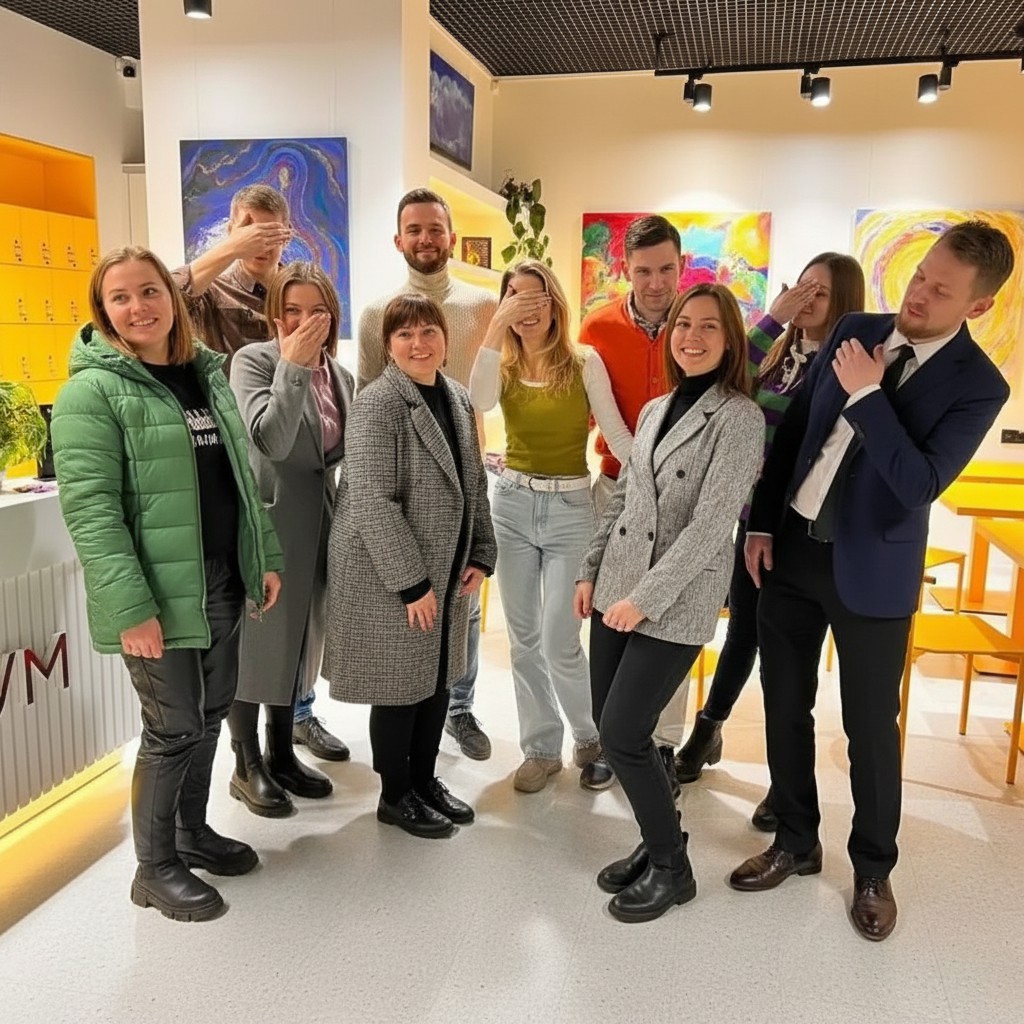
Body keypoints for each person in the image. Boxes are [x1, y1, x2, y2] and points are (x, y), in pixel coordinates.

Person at [730, 221, 1014, 942]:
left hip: (874, 573)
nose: (918, 295)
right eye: (920, 276)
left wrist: (867, 396)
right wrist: (761, 523)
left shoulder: (980, 386)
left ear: (977, 306)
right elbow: (795, 434)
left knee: (869, 730)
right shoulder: (858, 328)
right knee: (783, 705)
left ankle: (873, 870)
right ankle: (795, 841)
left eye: (941, 291)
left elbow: (919, 482)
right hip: (792, 551)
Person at [51, 246, 283, 922]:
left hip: (219, 577)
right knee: (172, 727)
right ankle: (152, 870)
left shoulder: (204, 374)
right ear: (104, 311)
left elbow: (240, 482)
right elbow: (91, 512)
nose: (139, 307)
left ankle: (190, 834)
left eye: (150, 291)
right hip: (156, 593)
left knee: (210, 715)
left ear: (173, 297)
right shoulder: (91, 392)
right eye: (120, 297)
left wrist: (262, 557)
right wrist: (131, 607)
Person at [574, 283, 763, 923]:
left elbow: (711, 528)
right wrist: (590, 571)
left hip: (673, 599)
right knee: (613, 729)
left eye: (709, 326)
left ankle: (673, 869)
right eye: (684, 324)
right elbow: (625, 499)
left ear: (730, 340)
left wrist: (645, 599)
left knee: (625, 732)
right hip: (616, 586)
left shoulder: (739, 418)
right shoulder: (655, 409)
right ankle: (659, 839)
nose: (692, 336)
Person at [674, 254, 866, 835]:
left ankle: (782, 785)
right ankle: (709, 729)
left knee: (786, 663)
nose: (807, 301)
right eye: (801, 288)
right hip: (751, 520)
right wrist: (772, 320)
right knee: (743, 632)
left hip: (800, 530)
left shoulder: (843, 366)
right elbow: (728, 381)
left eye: (820, 294)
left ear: (844, 303)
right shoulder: (780, 356)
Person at [173, 183, 349, 761]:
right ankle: (248, 758)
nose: (262, 240)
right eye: (250, 225)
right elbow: (165, 300)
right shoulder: (210, 294)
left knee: (297, 624)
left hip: (302, 492)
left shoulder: (297, 305)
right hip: (235, 472)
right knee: (255, 628)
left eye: (272, 230)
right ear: (232, 226)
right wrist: (232, 247)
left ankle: (291, 729)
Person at [325, 294, 497, 838]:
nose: (418, 343)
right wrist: (412, 584)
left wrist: (480, 553)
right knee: (400, 687)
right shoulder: (378, 403)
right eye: (404, 334)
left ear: (445, 339)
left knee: (438, 678)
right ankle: (394, 794)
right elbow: (373, 501)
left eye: (428, 331)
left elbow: (474, 483)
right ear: (388, 345)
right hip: (388, 573)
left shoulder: (457, 396)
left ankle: (424, 780)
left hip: (447, 565)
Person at [469, 260, 632, 793]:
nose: (526, 308)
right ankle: (540, 748)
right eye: (513, 297)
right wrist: (496, 327)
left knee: (560, 639)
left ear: (554, 302)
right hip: (512, 506)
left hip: (570, 510)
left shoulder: (583, 362)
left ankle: (590, 737)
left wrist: (658, 481)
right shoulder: (503, 364)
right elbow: (478, 401)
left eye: (535, 296)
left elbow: (617, 435)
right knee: (523, 640)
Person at [357, 188, 498, 762]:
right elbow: (368, 394)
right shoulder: (378, 312)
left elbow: (493, 386)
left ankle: (459, 709)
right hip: (405, 483)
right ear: (398, 239)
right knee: (411, 617)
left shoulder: (481, 305)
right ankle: (403, 768)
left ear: (451, 236)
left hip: (464, 472)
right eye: (413, 229)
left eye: (435, 228)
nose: (425, 238)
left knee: (462, 608)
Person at [226, 263, 355, 817]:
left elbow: (338, 455)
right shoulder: (253, 361)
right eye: (292, 311)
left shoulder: (342, 376)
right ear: (274, 316)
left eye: (316, 311)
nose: (304, 322)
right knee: (258, 645)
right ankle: (245, 763)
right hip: (271, 523)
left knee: (299, 642)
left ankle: (281, 752)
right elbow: (271, 441)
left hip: (320, 519)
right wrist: (293, 366)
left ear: (333, 316)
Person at [578, 215, 690, 784]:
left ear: (681, 265)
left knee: (670, 618)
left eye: (666, 269)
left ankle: (662, 742)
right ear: (625, 269)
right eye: (643, 271)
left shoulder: (700, 323)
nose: (655, 283)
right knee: (610, 616)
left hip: (681, 499)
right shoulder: (597, 327)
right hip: (615, 488)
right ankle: (611, 737)